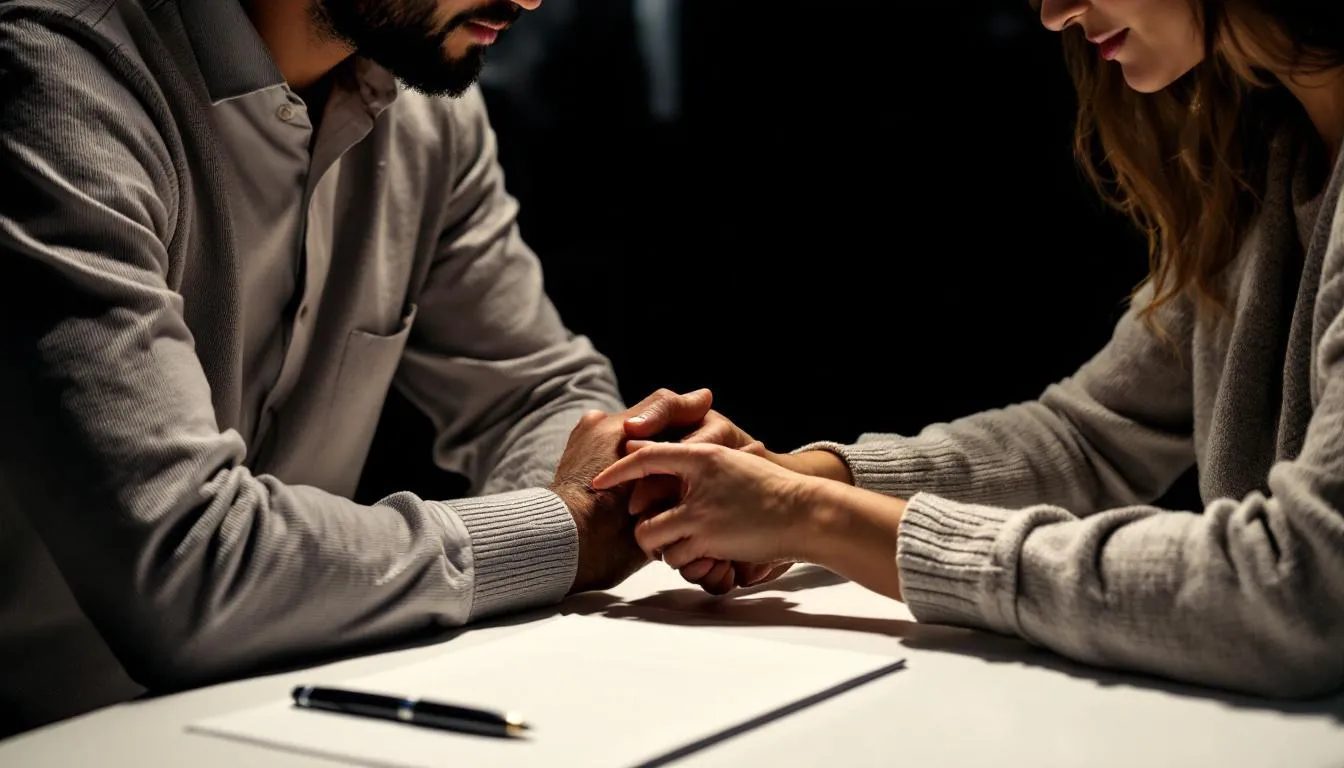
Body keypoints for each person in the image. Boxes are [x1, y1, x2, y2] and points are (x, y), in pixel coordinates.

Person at [0, 0, 738, 734]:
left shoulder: (426, 107)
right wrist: (565, 529)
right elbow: (185, 569)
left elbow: (539, 392)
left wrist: (632, 490)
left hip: (296, 714)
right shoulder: (54, 76)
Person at [594, 0, 1344, 698]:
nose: (1054, 13)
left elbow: (1303, 587)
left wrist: (819, 518)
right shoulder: (1270, 149)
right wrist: (791, 476)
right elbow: (1087, 439)